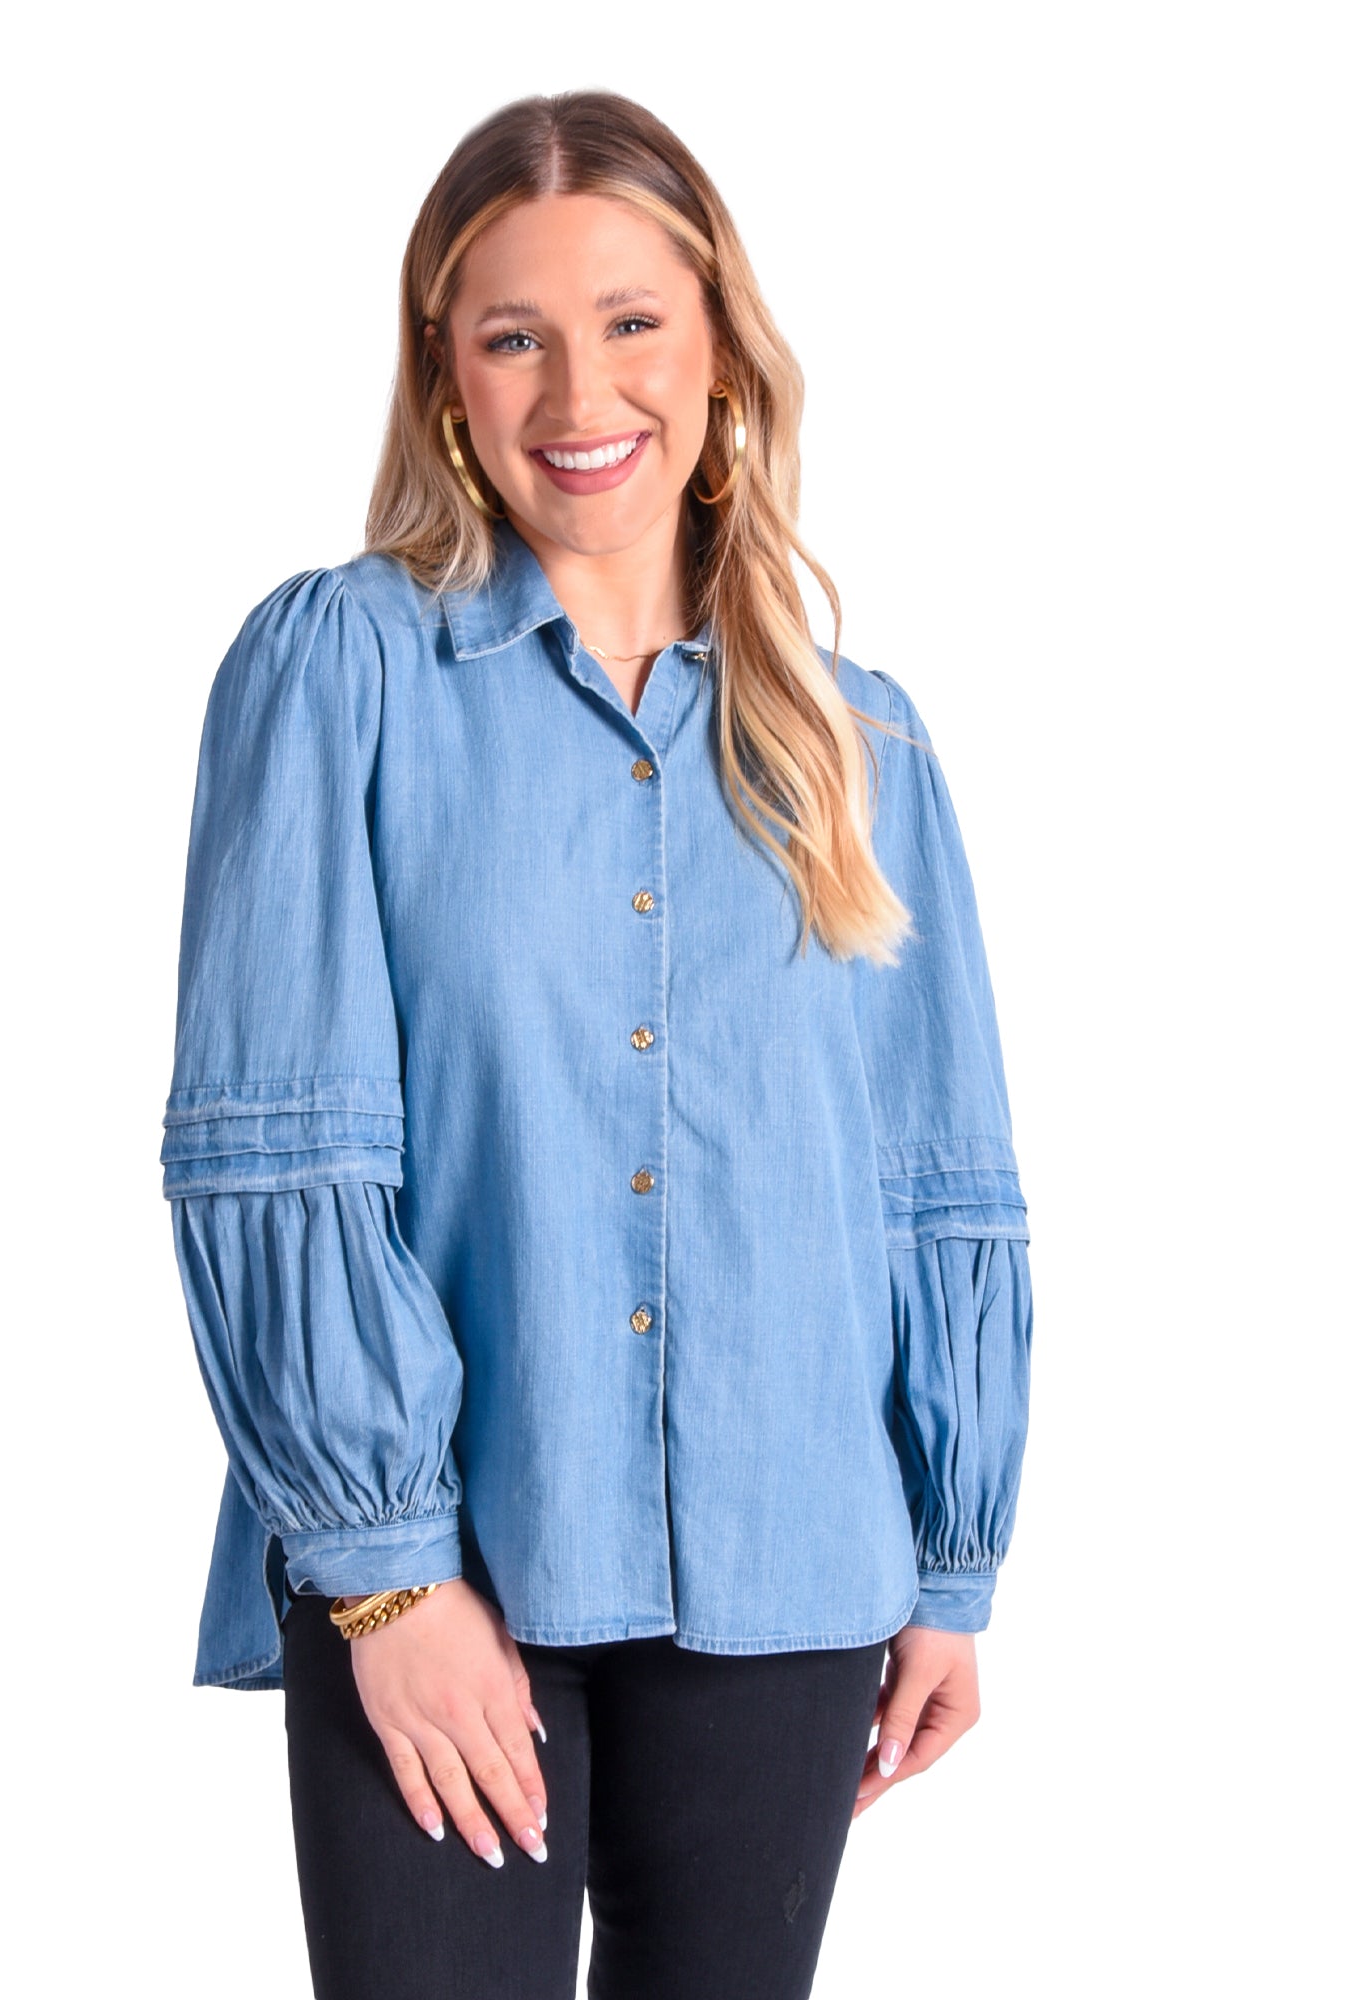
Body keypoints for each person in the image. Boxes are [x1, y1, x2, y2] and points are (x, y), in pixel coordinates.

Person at [160, 88, 1034, 2000]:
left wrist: (952, 1561)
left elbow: (934, 1178)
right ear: (444, 372)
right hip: (443, 1566)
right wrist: (384, 1576)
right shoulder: (343, 674)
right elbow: (276, 1148)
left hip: (793, 1573)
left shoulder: (859, 748)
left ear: (718, 344)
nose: (581, 388)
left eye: (633, 319)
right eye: (513, 332)